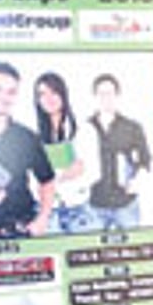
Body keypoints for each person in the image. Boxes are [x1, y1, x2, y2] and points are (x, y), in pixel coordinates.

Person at [0, 61, 56, 239]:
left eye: (11, 92)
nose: (4, 97)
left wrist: (42, 218)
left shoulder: (28, 137)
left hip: (21, 230)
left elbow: (47, 181)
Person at [34, 72, 97, 234]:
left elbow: (91, 171)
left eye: (53, 92)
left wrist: (54, 178)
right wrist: (66, 173)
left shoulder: (83, 129)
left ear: (63, 94)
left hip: (79, 211)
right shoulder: (34, 135)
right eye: (42, 94)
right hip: (47, 212)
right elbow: (33, 178)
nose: (48, 98)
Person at [87, 74, 151, 230]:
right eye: (101, 94)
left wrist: (137, 181)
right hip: (94, 205)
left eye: (110, 93)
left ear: (117, 95)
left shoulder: (133, 127)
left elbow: (145, 160)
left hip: (126, 204)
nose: (106, 98)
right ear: (94, 96)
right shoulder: (86, 128)